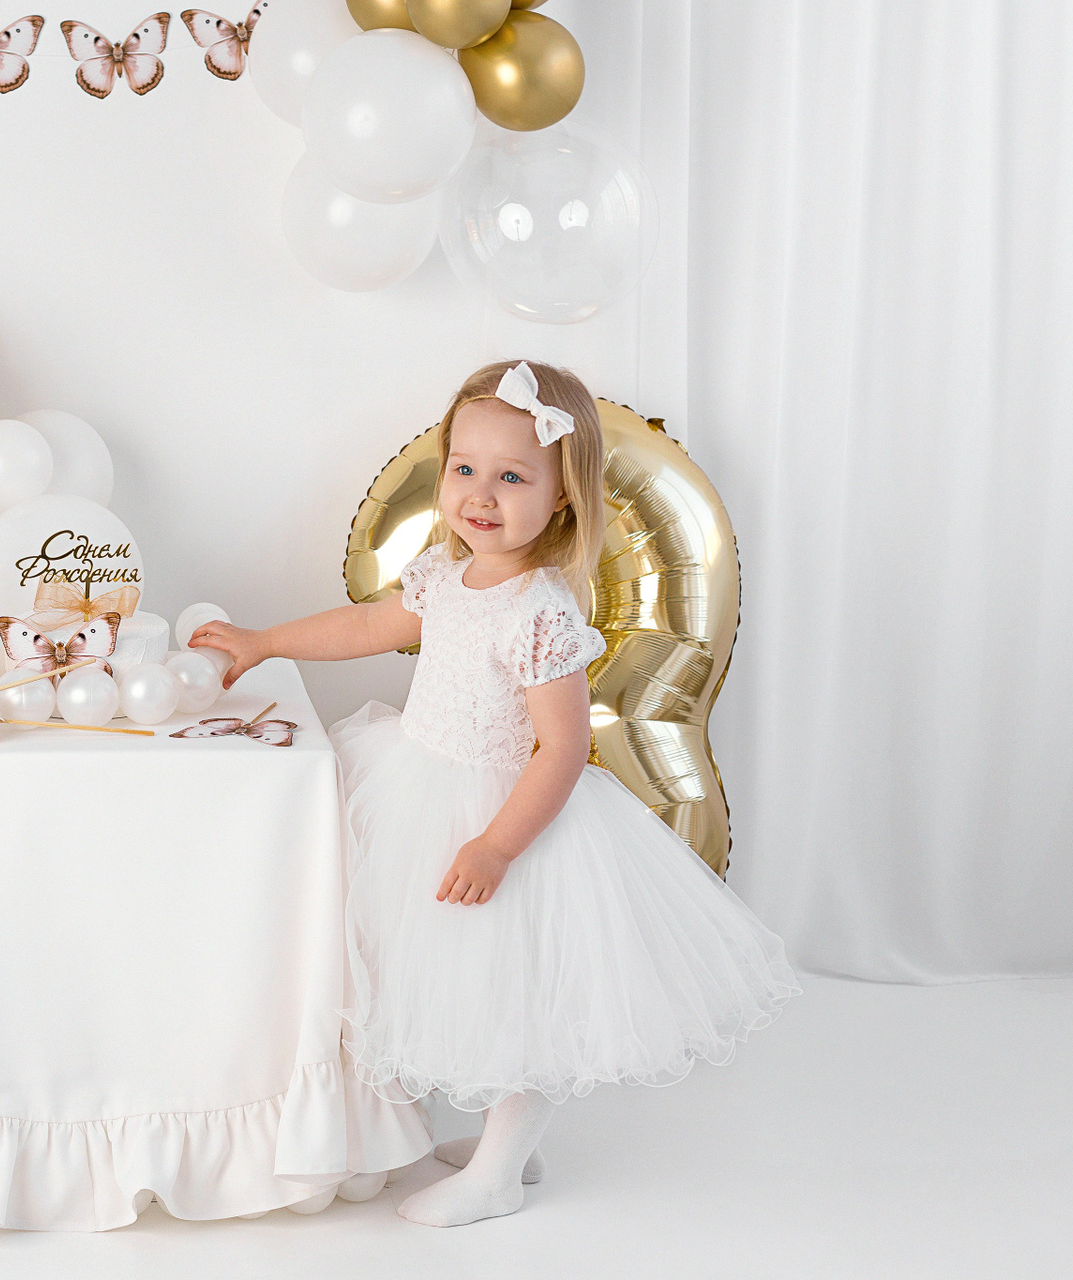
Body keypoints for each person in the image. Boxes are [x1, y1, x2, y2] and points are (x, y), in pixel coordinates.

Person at [189, 360, 799, 1227]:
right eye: (465, 468)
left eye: (512, 477)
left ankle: (499, 1173)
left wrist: (498, 845)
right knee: (455, 982)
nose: (480, 494)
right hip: (420, 784)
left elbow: (565, 746)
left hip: (505, 812)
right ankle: (507, 1146)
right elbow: (369, 624)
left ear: (561, 497)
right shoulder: (446, 573)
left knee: (514, 996)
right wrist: (265, 641)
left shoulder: (539, 610)